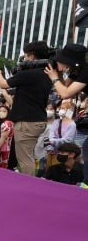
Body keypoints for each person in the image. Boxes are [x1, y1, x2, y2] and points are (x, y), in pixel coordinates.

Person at [0, 40, 52, 175]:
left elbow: (4, 84)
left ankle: (28, 188)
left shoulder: (30, 73)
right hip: (36, 120)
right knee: (28, 156)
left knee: (25, 160)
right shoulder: (47, 73)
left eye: (25, 55)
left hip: (27, 122)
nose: (24, 58)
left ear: (31, 56)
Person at [44, 43, 88, 183]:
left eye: (61, 60)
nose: (58, 61)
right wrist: (60, 74)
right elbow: (63, 88)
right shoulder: (78, 71)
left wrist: (54, 76)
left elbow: (65, 92)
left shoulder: (86, 71)